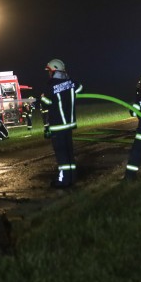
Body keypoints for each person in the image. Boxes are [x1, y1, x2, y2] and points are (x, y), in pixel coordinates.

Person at [41, 58, 82, 188]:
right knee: (69, 153)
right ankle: (71, 178)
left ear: (54, 71)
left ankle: (63, 180)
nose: (48, 73)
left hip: (58, 125)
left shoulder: (51, 85)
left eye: (49, 71)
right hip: (69, 125)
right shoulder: (70, 82)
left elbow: (47, 103)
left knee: (61, 155)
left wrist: (42, 98)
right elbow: (80, 87)